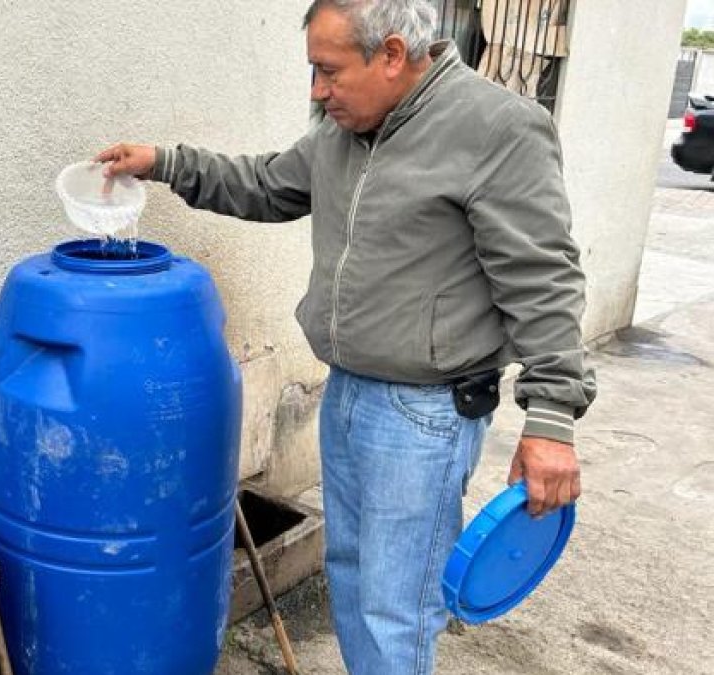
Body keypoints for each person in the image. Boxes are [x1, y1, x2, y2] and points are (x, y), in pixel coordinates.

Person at [96, 0, 597, 673]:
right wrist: (165, 162)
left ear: (392, 54)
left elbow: (544, 277)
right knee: (354, 582)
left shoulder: (496, 129)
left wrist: (553, 417)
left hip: (424, 417)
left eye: (328, 71)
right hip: (350, 394)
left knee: (396, 610)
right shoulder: (345, 133)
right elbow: (266, 184)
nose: (316, 90)